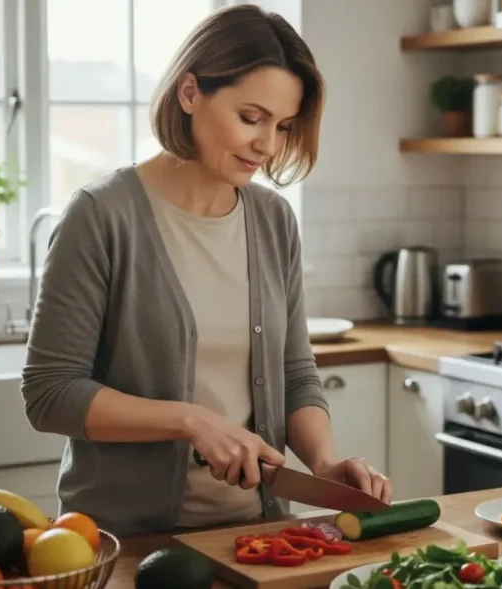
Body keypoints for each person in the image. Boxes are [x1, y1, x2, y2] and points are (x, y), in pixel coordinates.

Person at [20, 3, 391, 537]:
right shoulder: (102, 216)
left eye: (283, 126)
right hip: (128, 543)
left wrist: (327, 465)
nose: (268, 145)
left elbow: (294, 373)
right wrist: (190, 420)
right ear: (190, 93)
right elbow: (50, 392)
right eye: (251, 117)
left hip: (257, 537)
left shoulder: (273, 219)